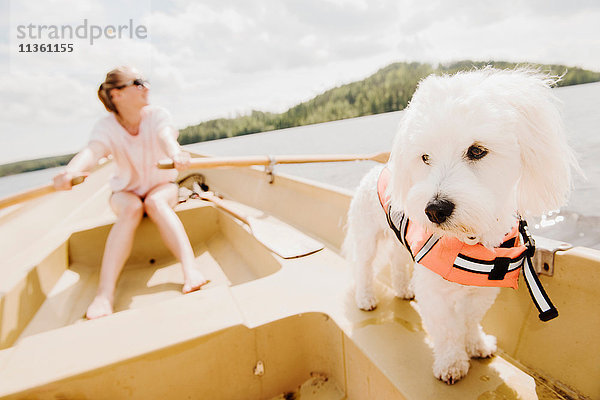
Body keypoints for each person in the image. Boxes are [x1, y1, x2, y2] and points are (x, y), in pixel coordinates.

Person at [54, 66, 209, 319]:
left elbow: (166, 137)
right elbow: (93, 152)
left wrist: (176, 153)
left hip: (162, 187)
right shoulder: (106, 127)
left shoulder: (157, 115)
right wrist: (71, 172)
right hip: (126, 192)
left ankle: (190, 270)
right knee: (132, 208)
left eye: (144, 82)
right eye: (137, 82)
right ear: (116, 95)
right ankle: (104, 296)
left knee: (156, 203)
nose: (146, 87)